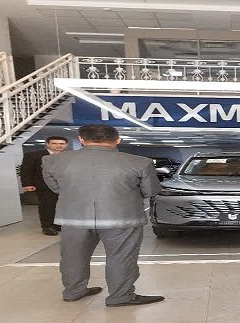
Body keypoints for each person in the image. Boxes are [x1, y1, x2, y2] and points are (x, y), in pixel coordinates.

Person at [42, 124, 164, 307]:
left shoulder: (52, 161)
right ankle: (120, 296)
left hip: (73, 218)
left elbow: (56, 188)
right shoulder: (140, 162)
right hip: (122, 218)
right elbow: (150, 191)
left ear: (81, 139)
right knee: (121, 257)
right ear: (118, 140)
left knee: (72, 256)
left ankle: (74, 291)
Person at [20, 136, 69, 235]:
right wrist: (27, 184)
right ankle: (47, 226)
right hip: (43, 185)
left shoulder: (69, 156)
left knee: (61, 206)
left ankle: (57, 225)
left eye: (62, 144)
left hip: (65, 185)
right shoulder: (33, 155)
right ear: (47, 144)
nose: (58, 146)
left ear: (66, 145)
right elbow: (26, 170)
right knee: (47, 206)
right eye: (54, 143)